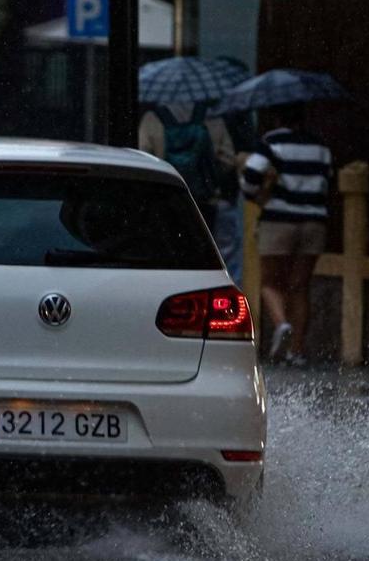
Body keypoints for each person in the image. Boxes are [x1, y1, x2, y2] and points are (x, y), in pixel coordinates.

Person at [240, 103, 333, 365]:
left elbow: (250, 175)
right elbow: (327, 180)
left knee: (270, 282)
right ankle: (297, 350)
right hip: (315, 223)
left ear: (278, 116)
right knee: (300, 285)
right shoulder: (320, 146)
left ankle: (281, 324)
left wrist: (255, 195)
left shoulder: (272, 142)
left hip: (279, 221)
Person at [138, 100, 241, 279]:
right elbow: (228, 158)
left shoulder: (152, 118)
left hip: (165, 200)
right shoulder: (212, 117)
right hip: (205, 200)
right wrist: (209, 175)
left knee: (170, 253)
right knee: (205, 255)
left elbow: (142, 155)